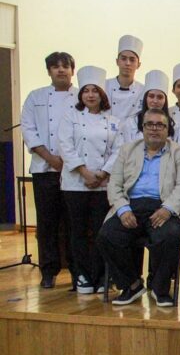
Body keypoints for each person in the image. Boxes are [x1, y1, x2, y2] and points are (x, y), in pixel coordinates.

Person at [96, 108, 180, 307]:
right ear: (143, 128)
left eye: (160, 125)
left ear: (168, 129)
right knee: (107, 236)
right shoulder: (127, 149)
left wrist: (168, 209)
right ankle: (131, 285)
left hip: (165, 206)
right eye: (150, 124)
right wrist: (123, 210)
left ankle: (160, 288)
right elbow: (114, 184)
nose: (154, 129)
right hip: (131, 206)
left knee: (170, 235)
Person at [57, 66, 120, 294]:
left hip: (103, 186)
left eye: (95, 91)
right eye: (86, 91)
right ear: (81, 94)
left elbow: (118, 150)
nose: (91, 95)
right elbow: (65, 146)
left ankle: (102, 275)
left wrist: (102, 173)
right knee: (78, 232)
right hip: (75, 184)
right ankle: (81, 275)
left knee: (101, 232)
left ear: (102, 95)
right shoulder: (70, 117)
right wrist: (84, 172)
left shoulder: (113, 121)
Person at [20, 51, 77, 288]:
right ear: (49, 71)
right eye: (55, 67)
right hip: (44, 170)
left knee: (74, 224)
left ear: (73, 70)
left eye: (65, 66)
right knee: (47, 223)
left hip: (75, 172)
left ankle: (77, 270)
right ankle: (49, 271)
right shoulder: (35, 97)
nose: (61, 70)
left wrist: (71, 162)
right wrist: (51, 158)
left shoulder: (82, 96)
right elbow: (28, 129)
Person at [114, 70, 174, 150]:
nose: (155, 101)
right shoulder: (131, 123)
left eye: (160, 97)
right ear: (145, 98)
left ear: (165, 100)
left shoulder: (173, 125)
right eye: (151, 96)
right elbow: (125, 151)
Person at [106, 34, 144, 121]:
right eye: (123, 58)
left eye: (132, 60)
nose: (127, 63)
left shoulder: (143, 91)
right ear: (117, 61)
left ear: (138, 65)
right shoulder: (104, 86)